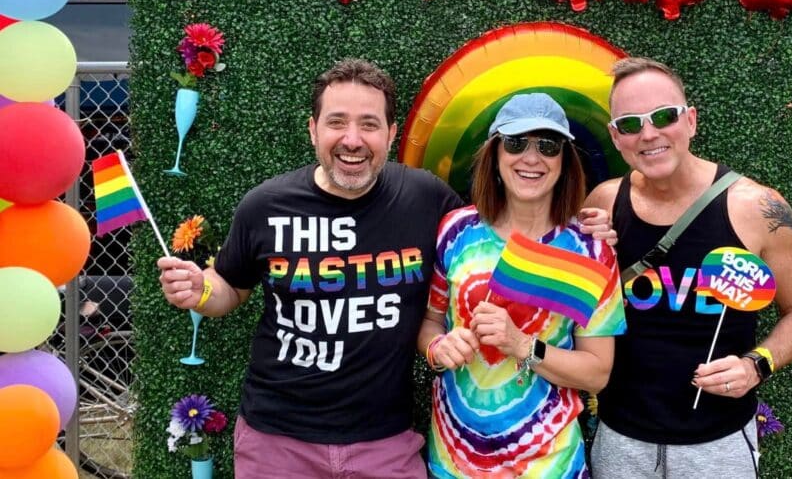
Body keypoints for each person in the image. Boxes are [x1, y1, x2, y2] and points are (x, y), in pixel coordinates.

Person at [157, 59, 464, 478]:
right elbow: (230, 286)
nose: (352, 140)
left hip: (385, 443)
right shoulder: (266, 205)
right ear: (313, 129)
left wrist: (585, 216)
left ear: (391, 134)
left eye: (369, 125)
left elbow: (490, 238)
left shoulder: (426, 198)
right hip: (276, 445)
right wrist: (201, 290)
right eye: (337, 122)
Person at [585, 58, 792, 478]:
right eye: (630, 123)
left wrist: (756, 365)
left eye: (663, 116)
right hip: (621, 440)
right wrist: (587, 252)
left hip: (718, 443)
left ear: (691, 121)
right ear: (615, 137)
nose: (649, 133)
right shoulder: (602, 204)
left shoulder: (757, 208)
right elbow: (572, 306)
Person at [418, 93, 626, 478]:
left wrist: (521, 345)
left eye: (548, 146)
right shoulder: (456, 232)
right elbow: (430, 322)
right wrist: (437, 347)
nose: (532, 158)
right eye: (516, 143)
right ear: (495, 155)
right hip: (454, 462)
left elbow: (597, 372)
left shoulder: (590, 251)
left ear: (564, 162)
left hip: (549, 465)